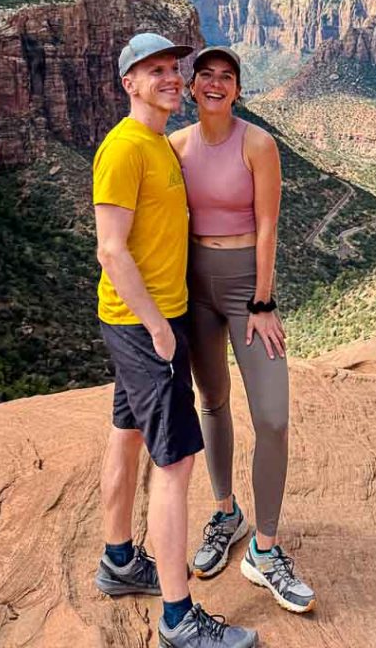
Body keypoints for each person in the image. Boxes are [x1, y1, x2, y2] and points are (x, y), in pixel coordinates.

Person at [93, 32, 258, 648]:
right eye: (152, 70)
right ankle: (178, 617)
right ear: (128, 83)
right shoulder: (125, 148)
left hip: (147, 322)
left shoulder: (158, 142)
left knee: (127, 433)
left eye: (172, 67)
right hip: (147, 327)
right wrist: (162, 332)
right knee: (176, 462)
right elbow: (110, 249)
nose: (169, 77)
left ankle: (117, 561)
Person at [169, 46, 316, 615]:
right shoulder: (175, 147)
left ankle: (265, 546)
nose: (214, 84)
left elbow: (266, 223)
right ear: (192, 87)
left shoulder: (258, 144)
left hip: (244, 292)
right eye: (204, 75)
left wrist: (262, 301)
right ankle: (227, 513)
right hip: (193, 288)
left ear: (236, 90)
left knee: (273, 417)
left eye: (225, 78)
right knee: (212, 401)